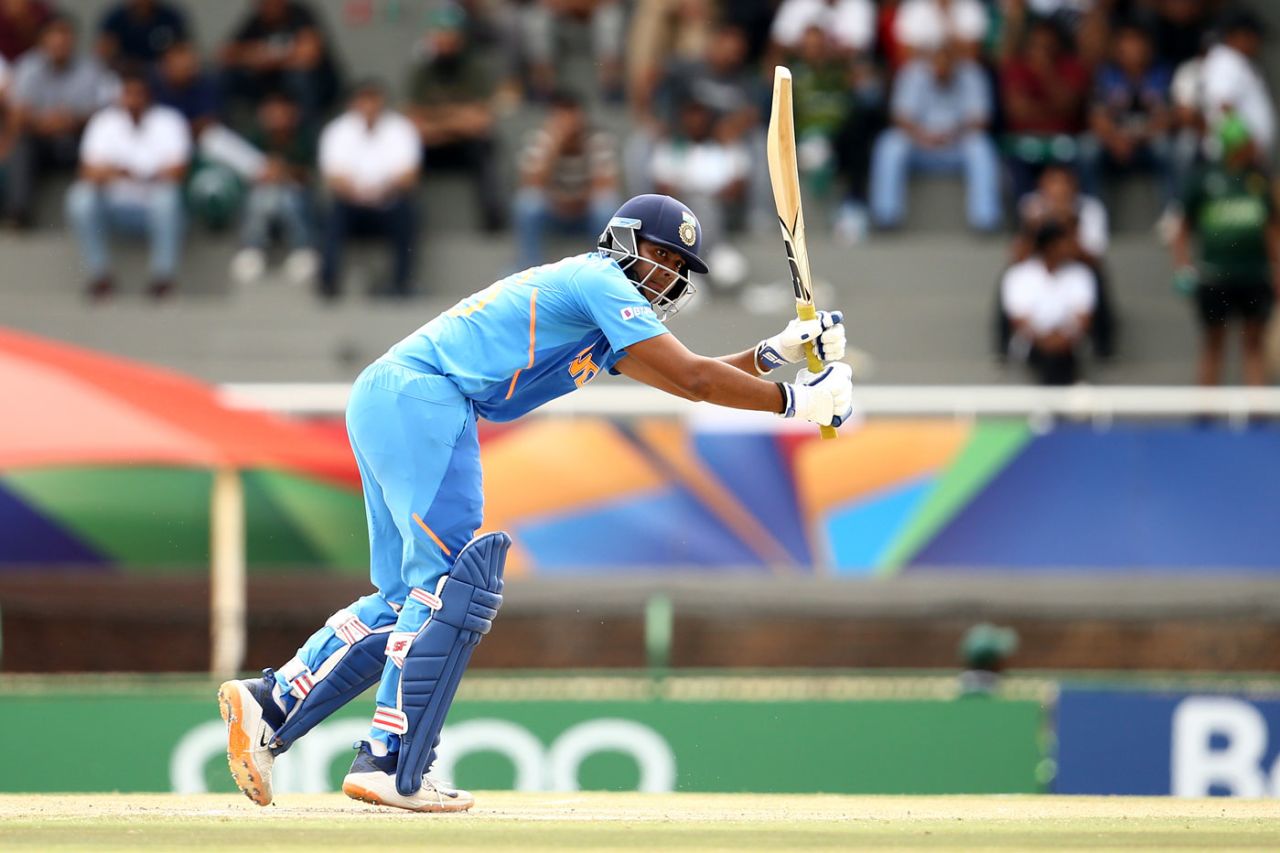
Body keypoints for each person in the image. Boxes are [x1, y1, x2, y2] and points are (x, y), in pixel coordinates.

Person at [217, 192, 853, 811]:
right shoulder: (600, 280)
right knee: (447, 588)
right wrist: (800, 402)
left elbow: (688, 378)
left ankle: (272, 701)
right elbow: (694, 378)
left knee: (404, 598)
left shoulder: (598, 310)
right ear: (623, 241)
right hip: (430, 400)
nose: (670, 274)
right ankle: (388, 760)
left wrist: (778, 354)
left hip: (391, 396)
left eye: (680, 266)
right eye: (662, 255)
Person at [1171, 117, 1280, 387]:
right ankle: (1207, 408)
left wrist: (1277, 266)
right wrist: (1183, 267)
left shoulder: (1259, 179)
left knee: (1253, 344)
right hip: (1214, 275)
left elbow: (1271, 228)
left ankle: (1257, 409)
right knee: (1213, 343)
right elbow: (1182, 227)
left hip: (1253, 274)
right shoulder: (1204, 179)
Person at [64, 70, 190, 300]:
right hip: (115, 208)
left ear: (149, 95)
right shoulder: (103, 122)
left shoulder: (169, 121)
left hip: (153, 209)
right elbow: (87, 171)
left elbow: (178, 172)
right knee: (80, 196)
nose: (133, 100)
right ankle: (100, 276)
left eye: (138, 94)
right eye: (128, 94)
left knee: (167, 196)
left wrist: (139, 174)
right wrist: (119, 172)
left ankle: (163, 278)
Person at [870, 40, 1000, 232]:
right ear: (930, 61)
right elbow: (900, 118)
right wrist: (922, 136)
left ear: (956, 62)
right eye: (938, 64)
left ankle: (985, 218)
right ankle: (886, 215)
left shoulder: (972, 74)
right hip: (920, 146)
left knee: (981, 145)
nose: (942, 69)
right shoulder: (913, 72)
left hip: (956, 146)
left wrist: (954, 134)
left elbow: (981, 120)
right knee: (890, 143)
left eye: (947, 64)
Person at [4, 15, 118, 228]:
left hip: (78, 138)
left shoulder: (92, 70)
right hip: (40, 139)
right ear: (42, 40)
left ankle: (99, 215)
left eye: (65, 36)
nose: (59, 42)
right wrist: (43, 122)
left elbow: (104, 115)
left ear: (74, 40)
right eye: (53, 36)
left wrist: (73, 120)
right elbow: (17, 113)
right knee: (21, 147)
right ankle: (18, 212)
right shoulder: (28, 67)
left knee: (100, 148)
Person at [405, 5, 504, 233]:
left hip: (465, 146)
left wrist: (436, 117)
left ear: (460, 40)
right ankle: (409, 220)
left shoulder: (475, 70)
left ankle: (493, 220)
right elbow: (414, 123)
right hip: (432, 146)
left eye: (450, 38)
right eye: (440, 37)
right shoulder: (421, 73)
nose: (445, 44)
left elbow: (481, 121)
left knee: (485, 148)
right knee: (405, 151)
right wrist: (459, 118)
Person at [318, 79, 420, 299]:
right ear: (354, 103)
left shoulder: (401, 128)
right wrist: (358, 193)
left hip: (389, 201)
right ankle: (328, 282)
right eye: (364, 100)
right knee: (333, 216)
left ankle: (401, 282)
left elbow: (409, 176)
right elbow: (333, 178)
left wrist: (382, 191)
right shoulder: (337, 130)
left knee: (407, 214)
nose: (369, 106)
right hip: (351, 203)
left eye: (373, 100)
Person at [513, 90, 618, 269]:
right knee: (527, 203)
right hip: (552, 212)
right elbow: (531, 183)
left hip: (585, 213)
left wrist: (575, 202)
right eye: (560, 116)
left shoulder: (598, 140)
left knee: (606, 204)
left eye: (571, 115)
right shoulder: (540, 141)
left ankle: (603, 268)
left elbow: (605, 185)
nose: (567, 122)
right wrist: (554, 147)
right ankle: (529, 267)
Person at [1083, 20, 1176, 213]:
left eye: (1137, 41)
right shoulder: (1106, 75)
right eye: (1126, 41)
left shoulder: (1162, 73)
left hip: (1147, 144)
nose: (1133, 48)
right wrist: (1116, 139)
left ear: (1149, 46)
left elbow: (1167, 118)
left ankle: (1172, 215)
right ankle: (1094, 217)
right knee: (1087, 149)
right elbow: (1096, 118)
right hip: (1115, 145)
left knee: (1168, 148)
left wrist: (1138, 138)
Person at [229, 90, 318, 286]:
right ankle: (252, 248)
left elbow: (308, 175)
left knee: (288, 198)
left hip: (295, 194)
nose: (277, 118)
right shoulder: (254, 136)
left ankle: (302, 248)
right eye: (272, 112)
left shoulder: (304, 136)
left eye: (281, 112)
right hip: (262, 193)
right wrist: (264, 173)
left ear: (293, 113)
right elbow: (246, 169)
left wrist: (282, 171)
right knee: (261, 198)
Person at [1000, 220, 1096, 385]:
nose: (1071, 246)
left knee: (1059, 358)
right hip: (1032, 344)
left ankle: (1050, 398)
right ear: (1051, 246)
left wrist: (1061, 339)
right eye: (1065, 242)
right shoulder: (1019, 275)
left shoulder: (1081, 274)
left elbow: (1084, 319)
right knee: (1051, 359)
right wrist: (1045, 341)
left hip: (1070, 345)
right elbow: (1019, 320)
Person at [220, 0, 339, 131]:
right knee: (225, 77)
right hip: (269, 89)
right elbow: (226, 54)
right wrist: (262, 56)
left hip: (315, 89)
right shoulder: (256, 21)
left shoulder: (300, 15)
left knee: (300, 77)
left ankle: (307, 136)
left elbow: (309, 55)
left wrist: (266, 56)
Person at [96, 0, 188, 72]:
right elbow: (103, 52)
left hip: (162, 75)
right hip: (124, 74)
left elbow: (182, 52)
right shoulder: (116, 20)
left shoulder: (170, 19)